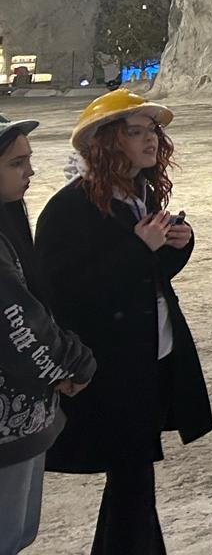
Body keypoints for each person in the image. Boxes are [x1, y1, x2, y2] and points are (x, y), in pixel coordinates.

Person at [35, 90, 212, 555]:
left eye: (152, 130)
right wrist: (141, 247)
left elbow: (146, 278)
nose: (151, 139)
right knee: (132, 475)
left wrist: (177, 245)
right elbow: (66, 293)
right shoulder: (68, 209)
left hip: (151, 352)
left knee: (133, 478)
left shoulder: (139, 194)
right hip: (112, 366)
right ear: (106, 142)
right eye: (136, 131)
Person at [0, 113, 97, 555]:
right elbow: (16, 319)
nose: (31, 172)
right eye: (18, 163)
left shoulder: (9, 222)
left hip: (23, 416)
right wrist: (69, 365)